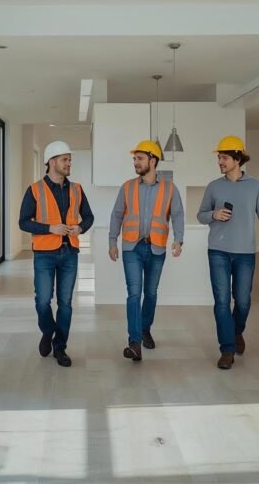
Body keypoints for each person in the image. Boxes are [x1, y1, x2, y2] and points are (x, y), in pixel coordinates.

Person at [197, 135, 259, 370]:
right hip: (218, 252)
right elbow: (201, 215)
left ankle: (236, 331)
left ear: (237, 158)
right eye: (219, 157)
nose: (220, 161)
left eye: (223, 157)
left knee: (242, 301)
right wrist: (214, 214)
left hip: (244, 253)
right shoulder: (214, 186)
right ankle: (227, 349)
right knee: (221, 302)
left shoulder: (255, 186)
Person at [18, 140, 94, 367]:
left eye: (69, 160)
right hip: (44, 254)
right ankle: (48, 331)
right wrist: (49, 228)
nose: (69, 163)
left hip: (69, 252)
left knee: (66, 303)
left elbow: (88, 216)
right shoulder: (34, 190)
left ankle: (60, 348)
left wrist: (81, 227)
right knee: (42, 301)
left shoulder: (77, 189)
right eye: (65, 160)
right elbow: (23, 222)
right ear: (52, 162)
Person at [108, 140, 184, 362]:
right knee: (134, 292)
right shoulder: (127, 186)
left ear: (153, 160)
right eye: (134, 158)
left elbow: (178, 215)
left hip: (157, 248)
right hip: (132, 246)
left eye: (139, 158)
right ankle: (134, 342)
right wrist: (112, 241)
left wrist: (179, 240)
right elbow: (116, 214)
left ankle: (144, 329)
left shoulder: (170, 188)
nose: (135, 162)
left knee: (150, 293)